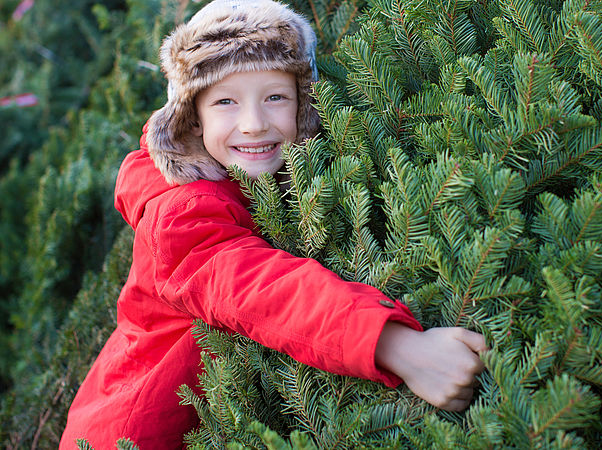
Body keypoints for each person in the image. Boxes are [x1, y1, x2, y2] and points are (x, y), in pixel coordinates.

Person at [60, 0, 487, 448]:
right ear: (191, 117)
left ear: (303, 106)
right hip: (132, 432)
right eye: (225, 101)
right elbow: (255, 288)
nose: (253, 123)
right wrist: (396, 346)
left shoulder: (255, 172)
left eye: (275, 97)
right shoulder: (180, 209)